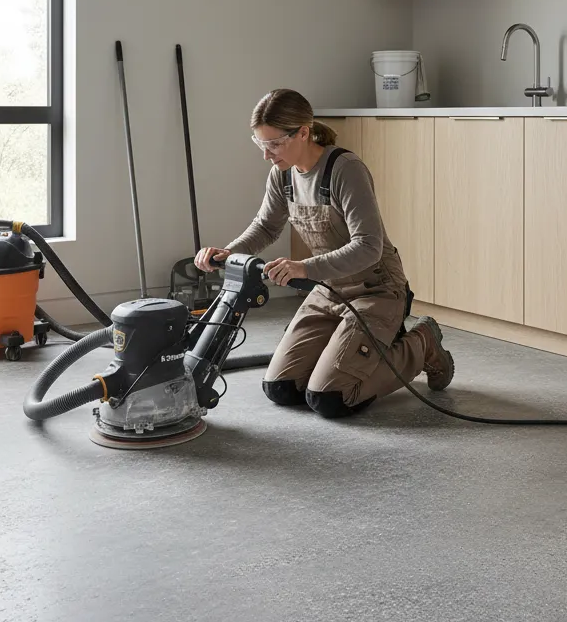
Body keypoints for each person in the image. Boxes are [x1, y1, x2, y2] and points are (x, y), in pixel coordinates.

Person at [194, 88, 454, 419]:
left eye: (274, 144)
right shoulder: (282, 174)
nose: (267, 155)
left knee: (331, 398)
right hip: (329, 290)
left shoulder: (345, 170)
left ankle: (422, 343)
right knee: (282, 389)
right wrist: (229, 252)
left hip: (375, 290)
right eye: (261, 144)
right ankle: (348, 350)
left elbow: (369, 246)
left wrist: (303, 268)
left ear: (303, 132)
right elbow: (266, 227)